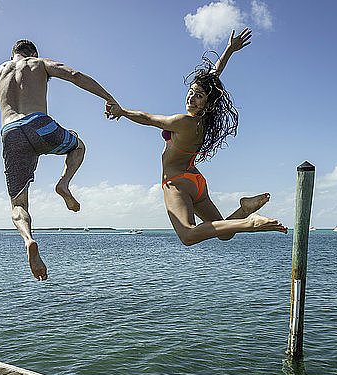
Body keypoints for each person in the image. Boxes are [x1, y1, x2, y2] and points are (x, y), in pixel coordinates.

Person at [105, 28, 287, 246]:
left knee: (188, 235)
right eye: (191, 92)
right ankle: (244, 209)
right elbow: (213, 77)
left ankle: (250, 222)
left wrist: (122, 111)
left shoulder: (183, 122)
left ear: (207, 103)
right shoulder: (204, 121)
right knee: (224, 232)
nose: (191, 97)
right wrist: (229, 50)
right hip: (196, 181)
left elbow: (148, 118)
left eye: (198, 96)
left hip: (178, 181)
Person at [0, 39, 118, 280]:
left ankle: (28, 240)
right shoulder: (38, 63)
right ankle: (64, 183)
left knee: (18, 204)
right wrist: (108, 98)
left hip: (11, 134)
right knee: (77, 146)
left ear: (12, 54)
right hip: (39, 124)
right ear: (32, 53)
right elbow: (74, 75)